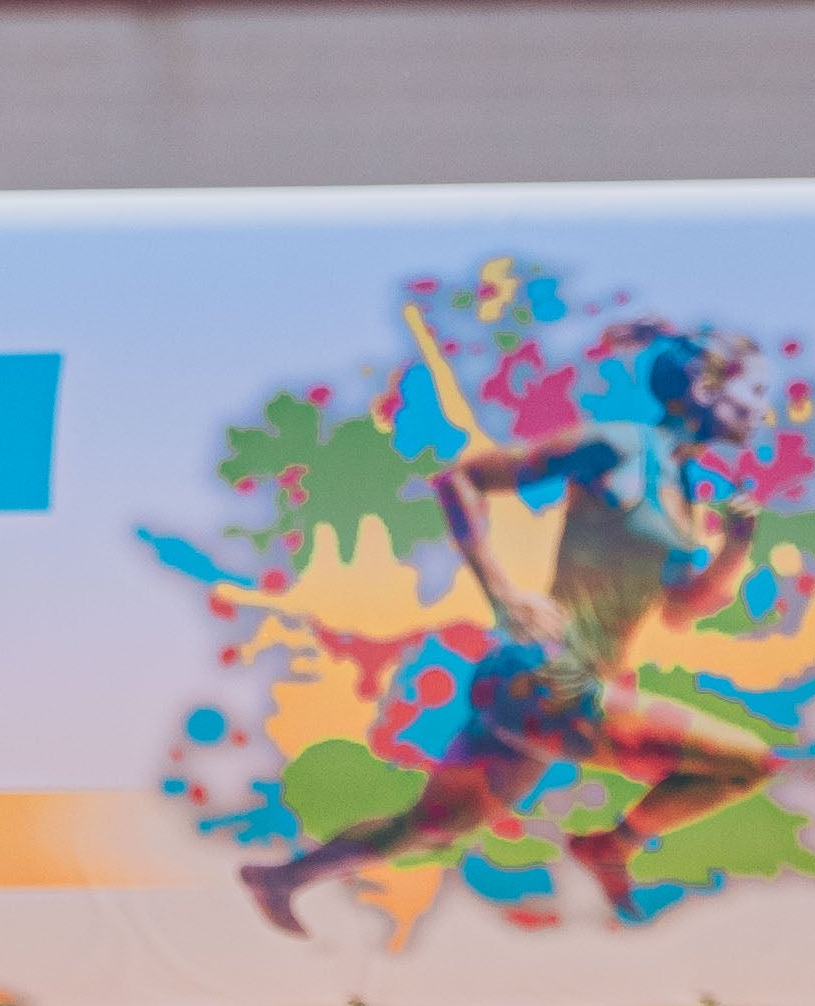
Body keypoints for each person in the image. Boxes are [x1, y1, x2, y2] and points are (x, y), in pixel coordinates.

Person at [237, 324, 785, 929]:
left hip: (543, 695)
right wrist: (503, 591)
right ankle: (612, 845)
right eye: (756, 391)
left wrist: (735, 548)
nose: (766, 408)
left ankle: (281, 878)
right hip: (549, 679)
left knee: (429, 827)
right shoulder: (618, 446)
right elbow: (462, 480)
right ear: (706, 392)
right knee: (749, 762)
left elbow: (682, 607)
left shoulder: (685, 492)